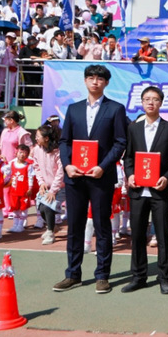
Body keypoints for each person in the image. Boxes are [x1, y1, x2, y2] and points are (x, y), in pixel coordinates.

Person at [53, 65, 128, 295]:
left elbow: (120, 142)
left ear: (106, 83)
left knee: (102, 226)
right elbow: (64, 142)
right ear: (85, 81)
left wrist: (103, 166)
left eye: (100, 79)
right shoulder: (74, 109)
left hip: (100, 177)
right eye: (91, 78)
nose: (95, 82)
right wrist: (67, 165)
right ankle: (72, 274)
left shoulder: (115, 109)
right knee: (75, 226)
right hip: (75, 177)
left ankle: (102, 275)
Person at [122, 86, 168, 295]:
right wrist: (130, 175)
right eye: (147, 99)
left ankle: (165, 278)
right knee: (137, 235)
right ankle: (138, 277)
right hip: (138, 191)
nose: (150, 102)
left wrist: (167, 178)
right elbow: (128, 157)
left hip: (160, 191)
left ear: (161, 103)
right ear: (142, 102)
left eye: (155, 99)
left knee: (163, 235)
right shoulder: (133, 129)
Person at [32, 124, 64, 246]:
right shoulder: (37, 150)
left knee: (48, 207)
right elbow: (36, 167)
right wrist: (41, 183)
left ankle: (50, 232)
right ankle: (53, 227)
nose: (36, 138)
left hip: (60, 187)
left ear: (46, 138)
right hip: (46, 186)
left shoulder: (57, 151)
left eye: (38, 136)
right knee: (41, 208)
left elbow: (61, 172)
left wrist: (53, 190)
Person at [0, 110, 32, 218]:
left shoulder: (21, 132)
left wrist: (23, 160)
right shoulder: (5, 131)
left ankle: (14, 209)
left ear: (12, 120)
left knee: (14, 186)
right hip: (4, 163)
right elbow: (1, 145)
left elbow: (29, 148)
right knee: (5, 186)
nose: (4, 122)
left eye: (6, 120)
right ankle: (6, 208)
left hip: (17, 164)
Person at [7, 144, 34, 233]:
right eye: (20, 152)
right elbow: (6, 173)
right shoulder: (11, 163)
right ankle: (15, 225)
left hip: (24, 191)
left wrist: (30, 188)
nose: (22, 155)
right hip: (14, 191)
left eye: (24, 153)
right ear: (16, 153)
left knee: (23, 208)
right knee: (15, 208)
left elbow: (30, 177)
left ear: (27, 155)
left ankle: (21, 225)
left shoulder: (28, 166)